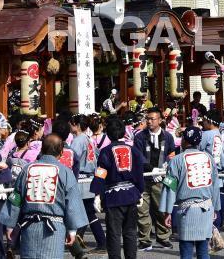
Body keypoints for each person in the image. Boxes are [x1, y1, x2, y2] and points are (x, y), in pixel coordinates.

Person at [0, 134, 88, 259]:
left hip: (29, 226)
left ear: (41, 149)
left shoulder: (27, 170)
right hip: (54, 229)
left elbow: (16, 198)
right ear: (61, 152)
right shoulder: (65, 172)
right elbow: (72, 203)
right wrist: (72, 230)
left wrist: (10, 225)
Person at [160, 127, 220, 259]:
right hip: (206, 208)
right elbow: (215, 185)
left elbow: (170, 186)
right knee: (203, 250)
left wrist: (167, 211)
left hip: (186, 211)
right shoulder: (209, 158)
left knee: (186, 250)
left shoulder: (176, 160)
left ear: (184, 140)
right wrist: (215, 207)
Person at [90, 118, 145, 259]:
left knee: (114, 233)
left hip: (113, 196)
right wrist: (140, 191)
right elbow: (139, 172)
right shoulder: (133, 150)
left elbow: (101, 172)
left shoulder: (106, 151)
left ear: (108, 134)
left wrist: (97, 194)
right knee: (131, 232)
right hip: (131, 194)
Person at [133, 107, 176, 250]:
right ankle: (144, 239)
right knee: (142, 210)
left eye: (152, 119)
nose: (149, 121)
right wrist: (152, 169)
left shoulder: (168, 137)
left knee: (161, 208)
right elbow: (138, 158)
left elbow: (172, 155)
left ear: (160, 120)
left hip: (161, 179)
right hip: (144, 178)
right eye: (148, 119)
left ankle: (163, 237)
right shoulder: (140, 137)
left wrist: (165, 169)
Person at [69, 114, 106, 254]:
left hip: (82, 179)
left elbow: (72, 160)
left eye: (71, 124)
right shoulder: (88, 139)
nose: (70, 126)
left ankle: (100, 242)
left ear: (77, 125)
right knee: (88, 212)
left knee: (85, 213)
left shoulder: (78, 140)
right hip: (90, 178)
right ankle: (83, 239)